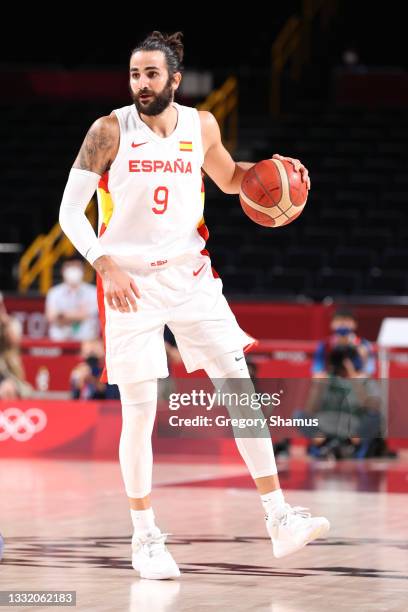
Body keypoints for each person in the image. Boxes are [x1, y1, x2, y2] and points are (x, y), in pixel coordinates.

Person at [58, 30, 328, 580]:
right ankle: (145, 537)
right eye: (135, 74)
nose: (141, 84)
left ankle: (278, 517)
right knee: (140, 414)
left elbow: (227, 177)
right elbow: (69, 212)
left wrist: (266, 175)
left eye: (152, 74)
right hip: (128, 282)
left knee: (240, 388)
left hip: (190, 274)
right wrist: (102, 263)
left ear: (174, 80)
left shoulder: (201, 125)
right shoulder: (108, 131)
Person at [45, 254, 100, 341]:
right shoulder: (54, 292)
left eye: (76, 266)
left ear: (83, 270)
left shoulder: (93, 292)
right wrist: (77, 315)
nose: (73, 270)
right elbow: (51, 316)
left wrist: (62, 315)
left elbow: (88, 315)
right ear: (62, 270)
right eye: (69, 266)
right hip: (59, 341)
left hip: (86, 341)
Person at [312, 309, 375, 378]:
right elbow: (317, 370)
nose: (343, 323)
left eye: (347, 320)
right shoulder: (324, 345)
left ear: (355, 324)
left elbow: (369, 372)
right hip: (331, 380)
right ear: (331, 324)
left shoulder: (364, 345)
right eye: (339, 320)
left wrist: (361, 361)